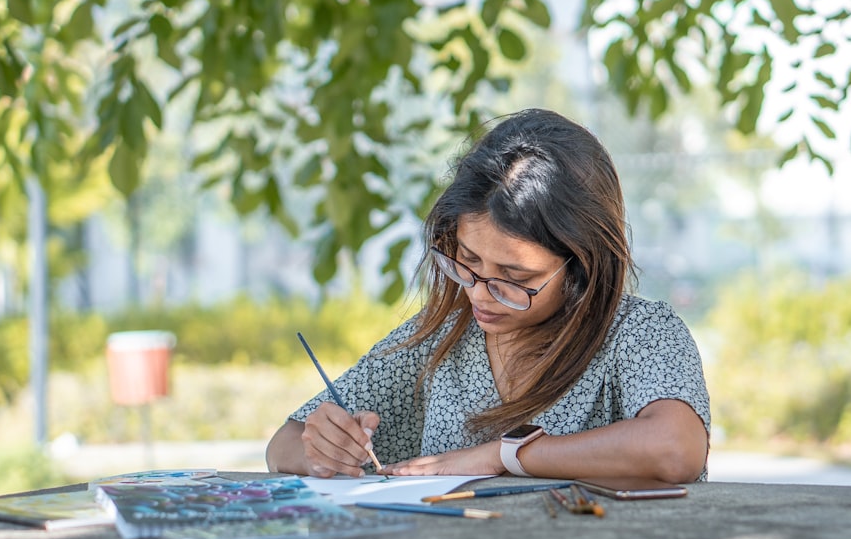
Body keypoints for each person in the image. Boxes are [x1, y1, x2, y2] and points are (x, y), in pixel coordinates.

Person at [266, 108, 710, 482]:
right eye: (467, 261)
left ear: (583, 266)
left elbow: (674, 449)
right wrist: (323, 451)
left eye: (514, 277)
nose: (480, 294)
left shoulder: (640, 333)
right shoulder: (438, 342)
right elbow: (282, 446)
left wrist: (504, 456)